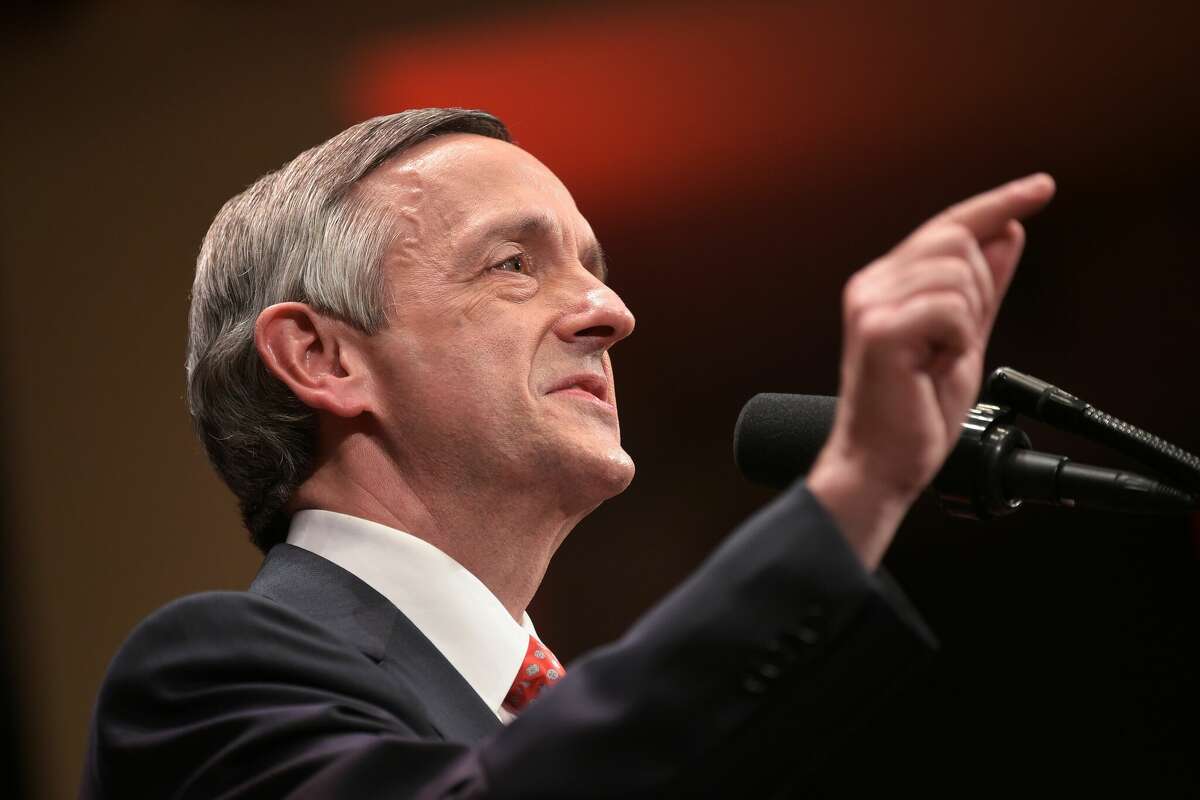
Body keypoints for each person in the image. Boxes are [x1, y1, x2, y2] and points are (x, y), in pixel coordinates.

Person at [80, 108, 1055, 798]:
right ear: (323, 355)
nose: (610, 311)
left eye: (592, 265)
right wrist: (854, 490)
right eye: (515, 263)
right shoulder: (204, 682)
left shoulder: (561, 713)